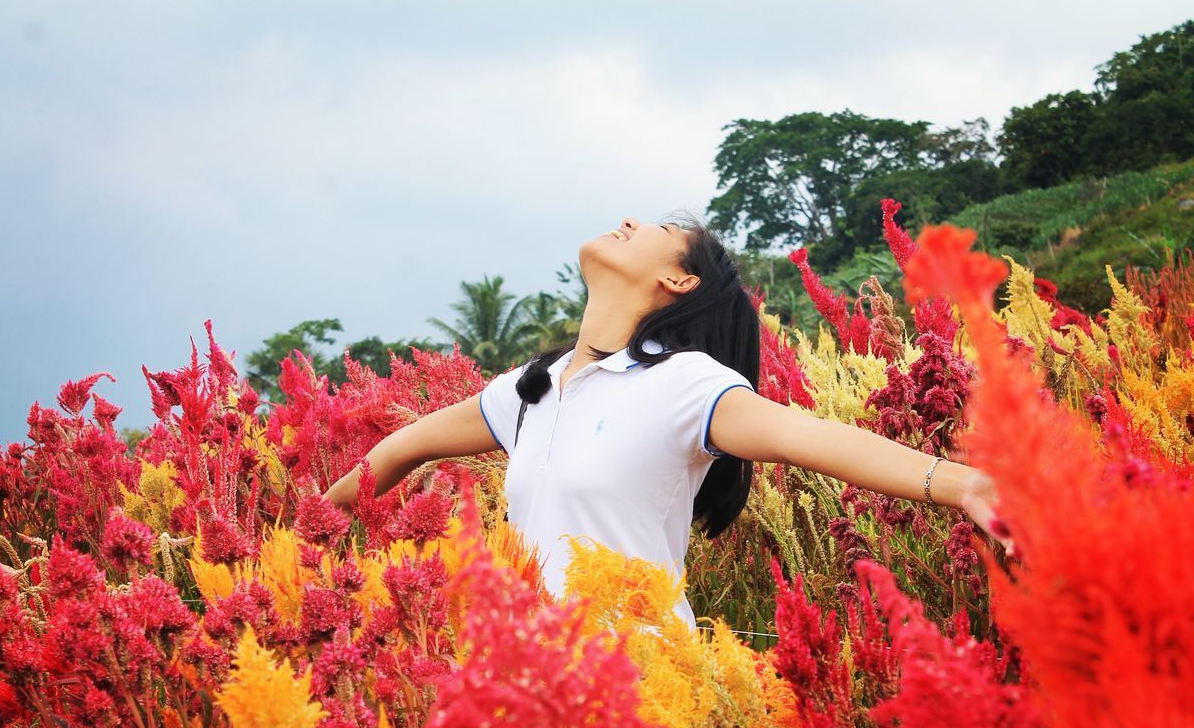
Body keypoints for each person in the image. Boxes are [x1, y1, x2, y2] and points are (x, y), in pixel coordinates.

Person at [325, 214, 1012, 627]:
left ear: (679, 282)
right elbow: (400, 449)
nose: (627, 220)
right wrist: (308, 530)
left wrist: (962, 485)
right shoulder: (529, 392)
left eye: (655, 227)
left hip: (647, 684)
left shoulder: (682, 384)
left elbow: (808, 437)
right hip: (541, 685)